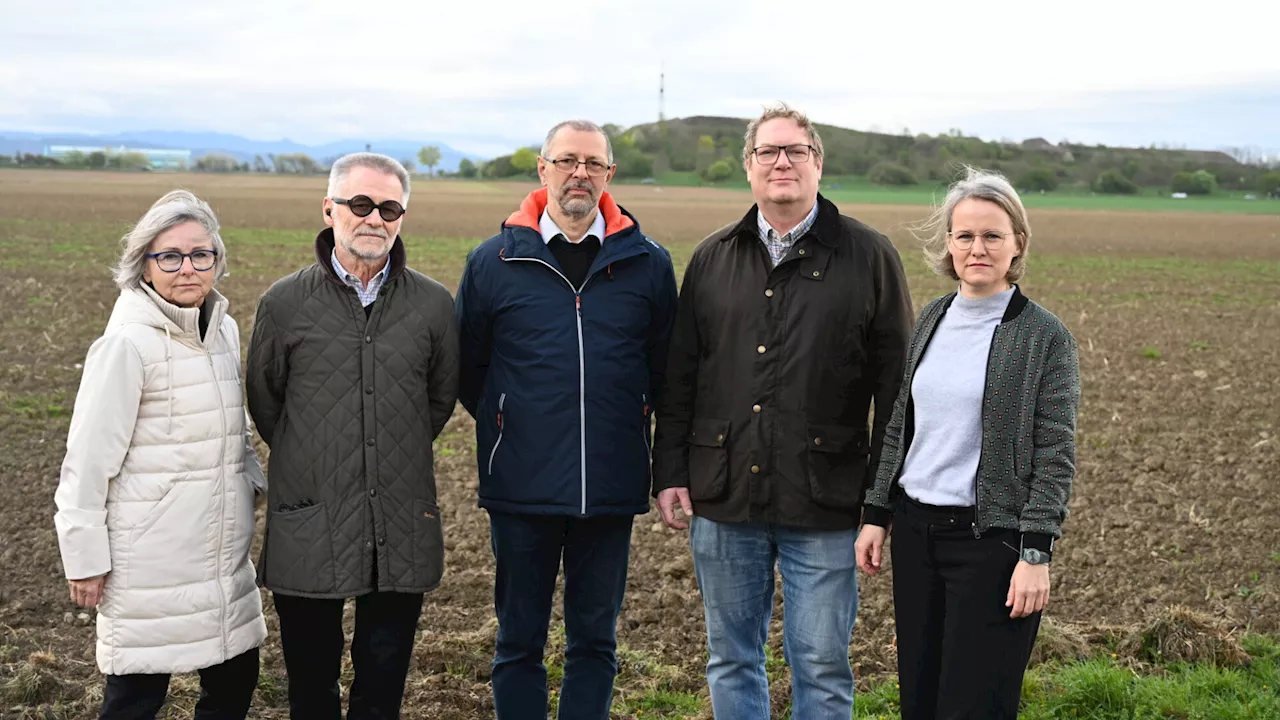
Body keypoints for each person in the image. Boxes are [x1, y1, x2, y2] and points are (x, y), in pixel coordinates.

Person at [651, 103, 913, 719]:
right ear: (749, 167)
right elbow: (680, 376)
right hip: (723, 495)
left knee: (821, 663)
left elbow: (897, 392)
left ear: (818, 163)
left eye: (796, 150)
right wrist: (668, 472)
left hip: (824, 499)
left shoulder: (870, 257)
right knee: (731, 655)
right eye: (768, 151)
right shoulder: (714, 257)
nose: (782, 162)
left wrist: (880, 501)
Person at [454, 119, 678, 720]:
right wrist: (510, 423)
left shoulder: (648, 263)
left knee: (595, 643)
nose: (579, 173)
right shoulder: (493, 261)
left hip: (609, 484)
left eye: (592, 163)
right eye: (566, 161)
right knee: (517, 641)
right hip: (521, 486)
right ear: (541, 168)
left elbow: (664, 371)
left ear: (609, 174)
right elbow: (470, 368)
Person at [855, 167, 1081, 720]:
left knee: (975, 703)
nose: (977, 247)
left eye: (992, 235)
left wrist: (1035, 553)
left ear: (1017, 244)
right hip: (915, 534)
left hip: (991, 544)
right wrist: (876, 514)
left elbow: (1055, 455)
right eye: (964, 235)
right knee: (921, 697)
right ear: (949, 244)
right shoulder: (931, 318)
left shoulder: (1045, 337)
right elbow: (899, 428)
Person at [245, 153, 459, 720]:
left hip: (400, 516)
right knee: (310, 686)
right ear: (329, 209)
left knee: (383, 682)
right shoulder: (284, 303)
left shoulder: (434, 305)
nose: (374, 218)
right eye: (359, 204)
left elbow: (436, 403)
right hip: (310, 517)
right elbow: (267, 404)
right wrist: (319, 451)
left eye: (389, 208)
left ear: (402, 216)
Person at [54, 190, 267, 720]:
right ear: (143, 264)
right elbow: (87, 457)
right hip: (149, 563)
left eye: (201, 255)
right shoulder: (127, 343)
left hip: (221, 557)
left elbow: (230, 430)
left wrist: (251, 483)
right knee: (135, 701)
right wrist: (84, 559)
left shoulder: (222, 330)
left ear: (217, 260)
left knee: (235, 684)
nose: (188, 268)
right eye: (169, 256)